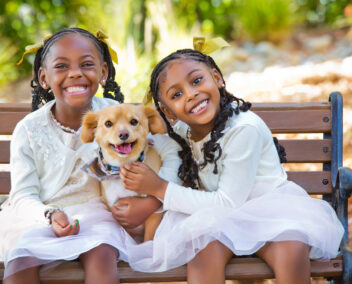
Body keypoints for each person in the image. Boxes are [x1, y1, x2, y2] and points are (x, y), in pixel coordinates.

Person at [120, 43, 344, 283]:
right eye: (177, 95)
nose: (191, 94)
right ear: (168, 111)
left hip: (268, 211)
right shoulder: (181, 131)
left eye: (196, 81)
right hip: (219, 219)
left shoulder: (243, 129)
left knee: (291, 249)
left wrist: (159, 189)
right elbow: (145, 136)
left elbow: (227, 202)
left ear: (217, 78)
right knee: (202, 250)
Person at [0, 27, 172, 284]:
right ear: (44, 78)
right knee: (21, 259)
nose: (75, 73)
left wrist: (152, 201)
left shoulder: (119, 116)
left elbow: (161, 149)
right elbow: (23, 194)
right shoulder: (29, 129)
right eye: (62, 66)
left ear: (103, 72)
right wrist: (50, 215)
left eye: (86, 64)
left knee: (102, 253)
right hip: (41, 216)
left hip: (97, 214)